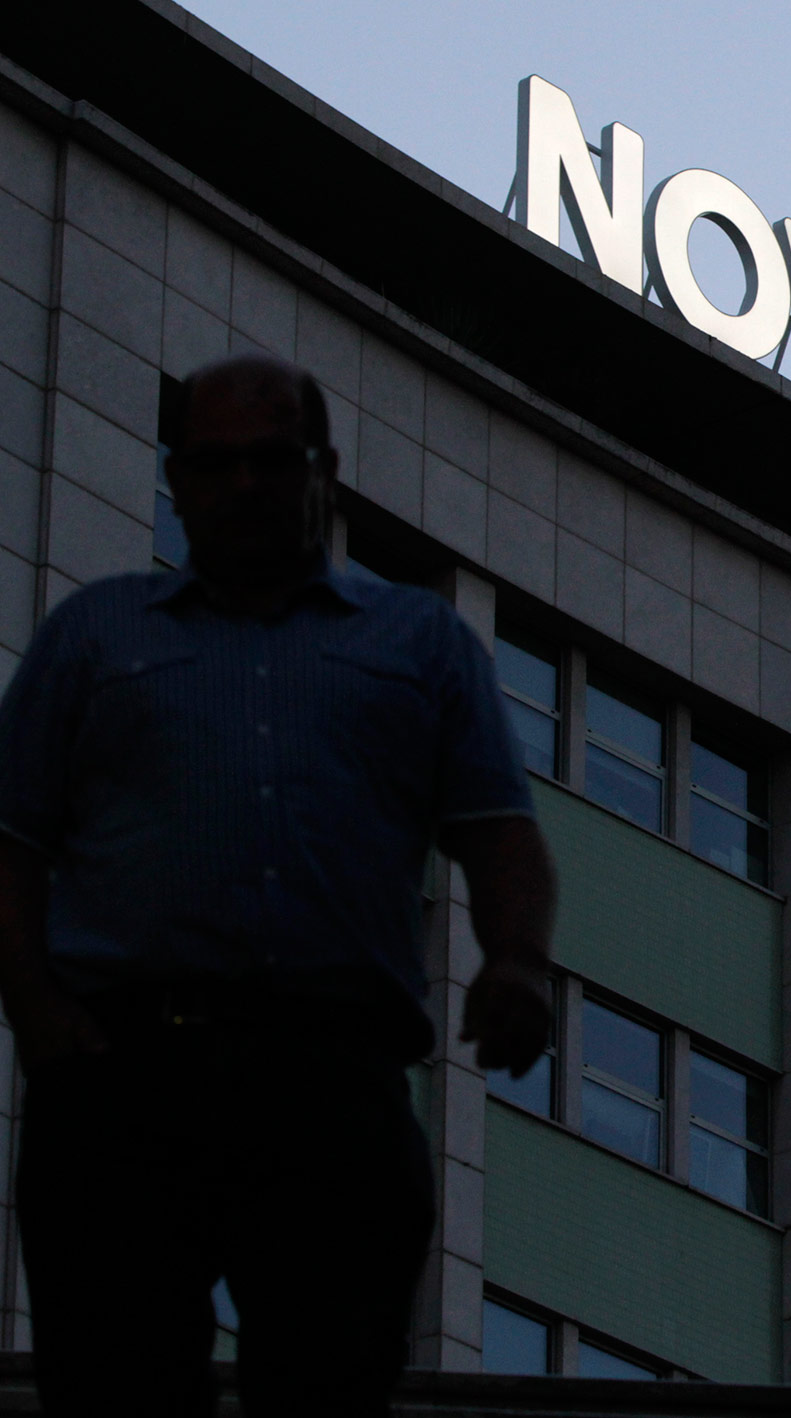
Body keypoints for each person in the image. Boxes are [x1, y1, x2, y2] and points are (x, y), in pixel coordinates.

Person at [0, 353, 557, 1416]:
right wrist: (35, 1008)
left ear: (324, 473)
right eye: (215, 463)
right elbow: (11, 835)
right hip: (124, 1077)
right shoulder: (97, 634)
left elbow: (498, 832)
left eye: (271, 459)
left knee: (328, 1388)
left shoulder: (418, 641)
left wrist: (520, 960)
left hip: (330, 1085)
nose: (245, 485)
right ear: (177, 479)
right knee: (113, 1389)